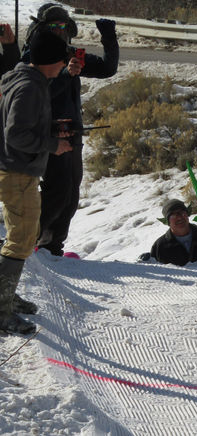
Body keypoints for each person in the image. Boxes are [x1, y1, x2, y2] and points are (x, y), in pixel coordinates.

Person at [22, 4, 119, 256]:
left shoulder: (70, 54)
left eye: (63, 26)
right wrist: (65, 74)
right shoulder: (32, 56)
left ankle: (52, 246)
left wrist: (108, 35)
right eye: (53, 27)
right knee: (58, 190)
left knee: (71, 194)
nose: (59, 31)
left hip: (71, 133)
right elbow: (36, 95)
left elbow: (108, 69)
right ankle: (26, 241)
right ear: (42, 28)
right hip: (48, 135)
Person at [0, 29, 72, 334]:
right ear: (50, 61)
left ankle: (5, 297)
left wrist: (49, 130)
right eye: (61, 61)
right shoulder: (30, 87)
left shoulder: (20, 77)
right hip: (18, 172)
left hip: (15, 169)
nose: (63, 67)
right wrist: (52, 144)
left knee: (21, 236)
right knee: (22, 237)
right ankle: (1, 310)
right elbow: (15, 133)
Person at [150, 199, 197, 266]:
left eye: (182, 213)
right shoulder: (160, 247)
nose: (179, 217)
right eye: (174, 215)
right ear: (167, 221)